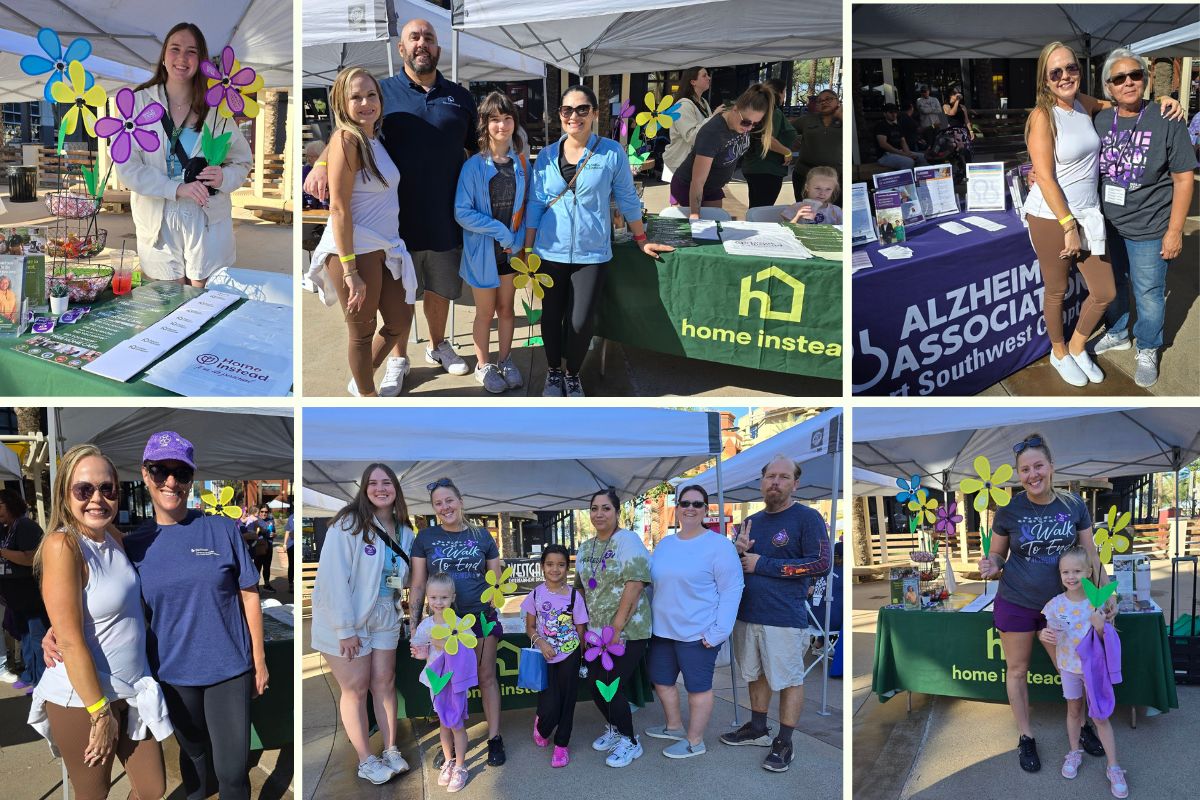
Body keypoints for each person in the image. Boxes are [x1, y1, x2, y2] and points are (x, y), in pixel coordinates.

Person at [47, 431, 269, 799]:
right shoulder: (131, 543)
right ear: (145, 475)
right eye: (160, 470)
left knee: (232, 771)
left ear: (191, 479)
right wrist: (55, 630)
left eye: (181, 473)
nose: (171, 481)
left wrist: (258, 659)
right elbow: (93, 591)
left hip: (229, 668)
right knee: (194, 760)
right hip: (171, 673)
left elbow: (249, 594)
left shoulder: (220, 528)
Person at [305, 19, 479, 387]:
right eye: (413, 38)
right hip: (392, 227)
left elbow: (476, 151)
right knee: (394, 305)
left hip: (445, 216)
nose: (422, 44)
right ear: (401, 49)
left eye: (429, 38)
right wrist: (321, 162)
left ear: (438, 50)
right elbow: (347, 131)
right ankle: (398, 360)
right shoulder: (381, 92)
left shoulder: (461, 97)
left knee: (438, 288)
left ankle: (438, 344)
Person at [27, 445, 172, 800]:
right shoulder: (63, 545)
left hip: (132, 688)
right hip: (84, 698)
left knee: (152, 789)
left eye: (107, 489)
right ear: (65, 492)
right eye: (84, 490)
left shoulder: (113, 538)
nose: (97, 499)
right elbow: (72, 640)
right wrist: (99, 713)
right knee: (93, 794)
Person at [524, 85, 673, 398]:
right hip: (549, 251)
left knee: (580, 321)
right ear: (559, 116)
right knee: (550, 317)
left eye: (582, 109)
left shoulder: (610, 152)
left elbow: (627, 198)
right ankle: (553, 373)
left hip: (591, 253)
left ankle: (572, 373)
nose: (574, 116)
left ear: (593, 113)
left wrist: (641, 237)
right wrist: (528, 249)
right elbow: (536, 205)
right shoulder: (547, 156)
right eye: (567, 110)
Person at [977, 433, 1111, 773]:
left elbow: (1089, 555)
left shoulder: (1074, 505)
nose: (1032, 474)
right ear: (1018, 474)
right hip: (1017, 601)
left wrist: (1104, 595)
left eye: (1038, 466)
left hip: (1064, 607)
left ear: (1051, 467)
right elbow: (997, 554)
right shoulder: (1008, 510)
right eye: (1025, 469)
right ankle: (1025, 736)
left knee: (1072, 668)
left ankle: (1081, 728)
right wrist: (992, 565)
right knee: (1018, 670)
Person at [115, 22, 252, 287]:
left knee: (206, 299)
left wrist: (224, 176)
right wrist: (174, 188)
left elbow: (242, 160)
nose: (182, 58)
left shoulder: (216, 109)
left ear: (200, 60)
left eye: (191, 51)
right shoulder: (138, 103)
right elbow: (127, 167)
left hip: (207, 219)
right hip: (158, 219)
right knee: (166, 305)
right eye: (175, 48)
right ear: (164, 56)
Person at [307, 66, 417, 397]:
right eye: (355, 97)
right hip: (356, 249)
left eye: (371, 95)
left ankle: (362, 381)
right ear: (342, 102)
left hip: (386, 246)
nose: (365, 103)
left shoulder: (372, 138)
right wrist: (351, 270)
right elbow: (338, 208)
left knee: (399, 320)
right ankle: (368, 398)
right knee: (362, 332)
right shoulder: (347, 139)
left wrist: (320, 160)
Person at [1089, 48, 1195, 388]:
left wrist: (1175, 230)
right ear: (1109, 87)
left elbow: (1183, 179)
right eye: (1119, 78)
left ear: (1146, 79)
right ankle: (1118, 332)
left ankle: (1148, 346)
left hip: (1150, 227)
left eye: (1135, 75)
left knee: (1148, 292)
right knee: (1115, 284)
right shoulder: (1101, 118)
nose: (1128, 82)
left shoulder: (1167, 118)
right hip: (1108, 225)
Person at [721, 455, 831, 773]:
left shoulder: (807, 518)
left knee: (788, 680)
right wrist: (737, 551)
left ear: (795, 483)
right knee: (755, 675)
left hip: (784, 617)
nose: (775, 482)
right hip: (748, 614)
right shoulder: (751, 520)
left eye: (784, 477)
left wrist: (762, 563)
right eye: (770, 476)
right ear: (762, 480)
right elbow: (737, 567)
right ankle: (757, 729)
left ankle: (784, 740)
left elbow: (821, 564)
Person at [1022, 41, 1120, 387]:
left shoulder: (1084, 103)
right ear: (1045, 81)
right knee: (1057, 290)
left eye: (1071, 68)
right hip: (1052, 217)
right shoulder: (1042, 116)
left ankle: (1078, 346)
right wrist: (1067, 225)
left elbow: (1119, 103)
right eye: (1056, 72)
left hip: (1088, 213)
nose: (1066, 76)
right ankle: (1059, 351)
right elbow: (1044, 176)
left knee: (1104, 291)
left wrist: (1159, 104)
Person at [310, 463, 414, 785]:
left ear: (396, 488)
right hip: (349, 618)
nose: (380, 488)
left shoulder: (406, 531)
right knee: (355, 689)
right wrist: (345, 629)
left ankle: (391, 748)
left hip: (386, 614)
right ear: (364, 489)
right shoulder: (349, 524)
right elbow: (332, 579)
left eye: (387, 482)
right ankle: (365, 759)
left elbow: (404, 578)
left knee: (385, 682)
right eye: (373, 483)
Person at [409, 478, 506, 767]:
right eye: (438, 503)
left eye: (449, 500)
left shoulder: (483, 536)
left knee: (486, 677)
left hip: (479, 621)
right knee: (447, 684)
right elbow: (417, 584)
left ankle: (495, 738)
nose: (444, 507)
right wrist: (415, 626)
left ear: (460, 501)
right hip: (441, 626)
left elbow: (496, 581)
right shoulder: (425, 538)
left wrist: (492, 610)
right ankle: (450, 743)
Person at [645, 485, 743, 759]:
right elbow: (652, 585)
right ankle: (674, 726)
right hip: (663, 631)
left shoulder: (719, 546)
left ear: (705, 509)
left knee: (697, 688)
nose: (690, 508)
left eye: (697, 504)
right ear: (676, 507)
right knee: (662, 681)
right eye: (685, 502)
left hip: (698, 634)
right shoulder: (665, 544)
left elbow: (732, 590)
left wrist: (719, 632)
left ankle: (694, 741)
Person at [454, 91, 529, 394]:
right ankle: (483, 364)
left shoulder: (522, 162)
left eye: (507, 118)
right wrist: (501, 232)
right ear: (484, 124)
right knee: (485, 313)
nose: (502, 125)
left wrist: (519, 238)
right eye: (495, 119)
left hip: (510, 254)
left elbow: (528, 205)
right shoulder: (473, 166)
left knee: (507, 310)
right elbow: (462, 212)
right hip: (482, 253)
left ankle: (506, 359)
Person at [573, 488, 652, 768]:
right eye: (594, 508)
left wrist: (617, 628)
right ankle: (615, 728)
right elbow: (581, 591)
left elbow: (635, 584)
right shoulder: (585, 547)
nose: (599, 514)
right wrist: (581, 630)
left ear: (617, 512)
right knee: (596, 686)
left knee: (610, 685)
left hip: (628, 632)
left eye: (606, 508)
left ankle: (630, 741)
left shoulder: (627, 540)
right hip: (595, 633)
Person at [1039, 547, 1127, 796]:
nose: (1071, 576)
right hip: (1068, 668)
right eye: (1065, 571)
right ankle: (1074, 752)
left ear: (1089, 572)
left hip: (1094, 671)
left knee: (1100, 717)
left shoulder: (1097, 603)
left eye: (1077, 571)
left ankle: (1114, 766)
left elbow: (1108, 641)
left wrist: (1100, 627)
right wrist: (1045, 634)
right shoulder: (1055, 604)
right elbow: (1050, 631)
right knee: (1074, 711)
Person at [522, 543, 588, 767]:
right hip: (545, 656)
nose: (555, 569)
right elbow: (530, 627)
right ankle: (541, 725)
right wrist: (541, 642)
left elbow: (580, 629)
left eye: (561, 565)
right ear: (542, 567)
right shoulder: (535, 595)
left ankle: (561, 746)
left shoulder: (574, 597)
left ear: (567, 569)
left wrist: (579, 656)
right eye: (550, 564)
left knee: (567, 702)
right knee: (549, 704)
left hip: (569, 655)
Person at [410, 573, 476, 793]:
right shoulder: (425, 625)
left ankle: (460, 766)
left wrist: (447, 642)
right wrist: (420, 651)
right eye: (434, 597)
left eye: (444, 598)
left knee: (456, 723)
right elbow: (418, 649)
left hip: (454, 681)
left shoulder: (460, 624)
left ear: (452, 597)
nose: (439, 602)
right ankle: (448, 760)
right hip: (436, 682)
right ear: (428, 597)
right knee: (444, 722)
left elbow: (468, 651)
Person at [670, 83, 774, 218]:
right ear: (735, 109)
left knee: (714, 228)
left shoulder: (741, 125)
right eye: (746, 122)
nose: (749, 128)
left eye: (756, 124)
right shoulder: (713, 132)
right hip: (688, 188)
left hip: (713, 188)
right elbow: (697, 181)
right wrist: (695, 214)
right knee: (690, 233)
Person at [0, 488, 48, 692]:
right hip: (16, 597)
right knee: (26, 638)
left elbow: (31, 558)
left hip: (31, 596)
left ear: (11, 504)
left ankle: (42, 681)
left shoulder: (26, 526)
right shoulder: (7, 527)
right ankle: (30, 675)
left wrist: (1, 551)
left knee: (37, 639)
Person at [741, 78, 799, 209]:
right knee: (761, 210)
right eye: (784, 92)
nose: (784, 96)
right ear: (779, 93)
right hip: (768, 169)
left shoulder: (758, 110)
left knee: (755, 208)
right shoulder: (773, 112)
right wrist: (787, 152)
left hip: (753, 167)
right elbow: (767, 139)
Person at [661, 66, 714, 188]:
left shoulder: (703, 103)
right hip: (680, 164)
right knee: (684, 205)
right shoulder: (683, 105)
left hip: (694, 164)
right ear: (693, 82)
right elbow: (691, 137)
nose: (709, 78)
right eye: (704, 75)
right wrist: (713, 118)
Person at [791, 89, 843, 201]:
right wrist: (793, 141)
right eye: (820, 101)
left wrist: (841, 116)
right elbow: (786, 129)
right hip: (804, 174)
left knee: (832, 212)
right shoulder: (807, 119)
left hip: (836, 176)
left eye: (829, 99)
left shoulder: (845, 120)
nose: (824, 102)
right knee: (805, 209)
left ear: (838, 101)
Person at [874, 103, 928, 170]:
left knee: (923, 157)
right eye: (891, 112)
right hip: (885, 155)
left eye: (895, 112)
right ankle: (905, 180)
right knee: (908, 162)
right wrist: (903, 154)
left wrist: (908, 154)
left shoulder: (897, 126)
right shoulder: (881, 126)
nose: (894, 114)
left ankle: (920, 178)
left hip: (899, 153)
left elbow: (903, 141)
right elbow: (883, 144)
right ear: (885, 114)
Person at [248, 506, 276, 592]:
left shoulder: (270, 520)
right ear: (259, 512)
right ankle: (256, 586)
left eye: (266, 512)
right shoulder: (255, 520)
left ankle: (266, 585)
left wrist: (274, 535)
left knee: (267, 566)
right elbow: (250, 533)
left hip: (269, 546)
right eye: (262, 511)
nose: (264, 513)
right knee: (257, 567)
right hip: (259, 546)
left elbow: (274, 533)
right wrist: (257, 532)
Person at [942, 85, 975, 156]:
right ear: (950, 95)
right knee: (956, 151)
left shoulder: (962, 107)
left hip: (962, 130)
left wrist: (971, 131)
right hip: (952, 131)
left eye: (957, 93)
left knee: (966, 150)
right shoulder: (946, 106)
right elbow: (952, 113)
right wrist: (957, 101)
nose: (957, 94)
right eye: (954, 93)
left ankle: (966, 165)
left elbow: (966, 120)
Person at [284, 512, 295, 594]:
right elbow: (287, 531)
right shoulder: (291, 516)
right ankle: (290, 584)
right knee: (291, 565)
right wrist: (284, 544)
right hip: (291, 544)